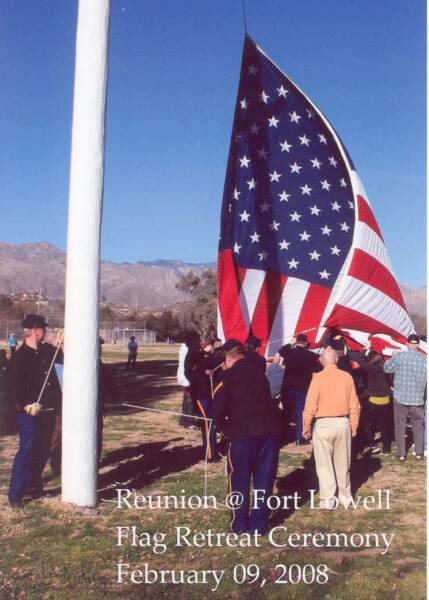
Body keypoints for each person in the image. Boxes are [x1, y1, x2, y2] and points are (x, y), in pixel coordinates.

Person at [214, 341, 282, 534]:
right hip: (268, 433)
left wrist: (226, 430)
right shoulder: (260, 373)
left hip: (242, 435)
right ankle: (259, 525)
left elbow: (217, 412)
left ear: (228, 356)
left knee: (239, 480)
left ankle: (240, 525)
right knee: (264, 480)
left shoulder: (226, 376)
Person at [7, 315, 63, 508]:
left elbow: (62, 355)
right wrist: (25, 405)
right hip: (29, 413)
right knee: (27, 451)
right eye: (43, 330)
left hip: (48, 411)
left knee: (42, 450)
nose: (45, 333)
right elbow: (11, 387)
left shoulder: (47, 351)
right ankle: (16, 495)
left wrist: (63, 340)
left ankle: (34, 486)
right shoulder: (19, 357)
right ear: (36, 331)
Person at [303, 348, 361, 509]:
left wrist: (306, 425)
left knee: (324, 464)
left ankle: (328, 499)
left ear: (322, 360)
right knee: (344, 462)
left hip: (322, 424)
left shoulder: (318, 378)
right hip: (343, 423)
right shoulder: (347, 377)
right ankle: (346, 497)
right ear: (336, 360)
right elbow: (354, 405)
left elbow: (310, 404)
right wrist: (354, 425)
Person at [383, 334, 427, 461]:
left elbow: (386, 369)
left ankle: (401, 454)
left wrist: (392, 356)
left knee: (400, 425)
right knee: (418, 425)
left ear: (407, 344)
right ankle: (419, 452)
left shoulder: (400, 356)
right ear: (418, 345)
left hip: (400, 396)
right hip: (417, 398)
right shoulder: (424, 359)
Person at [278, 334, 322, 445]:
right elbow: (318, 368)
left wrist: (290, 343)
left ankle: (283, 436)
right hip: (302, 389)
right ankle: (300, 438)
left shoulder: (289, 353)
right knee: (300, 413)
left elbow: (281, 350)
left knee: (286, 413)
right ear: (306, 343)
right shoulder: (311, 356)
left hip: (287, 388)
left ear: (296, 342)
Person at [349, 350, 392, 455]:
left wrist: (362, 352)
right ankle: (386, 448)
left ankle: (372, 444)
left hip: (373, 401)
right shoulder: (387, 368)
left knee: (365, 422)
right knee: (383, 425)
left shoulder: (373, 368)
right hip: (386, 401)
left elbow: (361, 362)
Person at [185, 339, 219, 462]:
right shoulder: (191, 356)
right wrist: (204, 373)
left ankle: (213, 452)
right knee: (207, 423)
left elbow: (215, 365)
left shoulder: (206, 356)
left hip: (209, 393)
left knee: (211, 422)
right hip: (199, 394)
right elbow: (189, 374)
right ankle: (210, 455)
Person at [177, 331, 199, 429]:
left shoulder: (183, 346)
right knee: (190, 399)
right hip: (187, 375)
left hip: (183, 374)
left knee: (186, 398)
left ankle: (184, 420)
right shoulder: (189, 348)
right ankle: (189, 421)